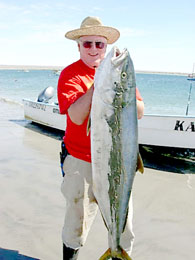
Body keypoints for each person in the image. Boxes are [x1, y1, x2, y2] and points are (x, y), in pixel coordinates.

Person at [57, 16, 144, 260]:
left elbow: (139, 110)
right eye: (88, 44)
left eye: (99, 44)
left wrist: (120, 92)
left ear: (104, 47)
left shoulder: (115, 72)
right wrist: (97, 88)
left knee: (123, 225)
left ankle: (117, 252)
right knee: (77, 222)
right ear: (78, 46)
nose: (94, 49)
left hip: (117, 163)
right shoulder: (71, 75)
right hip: (80, 161)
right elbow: (75, 116)